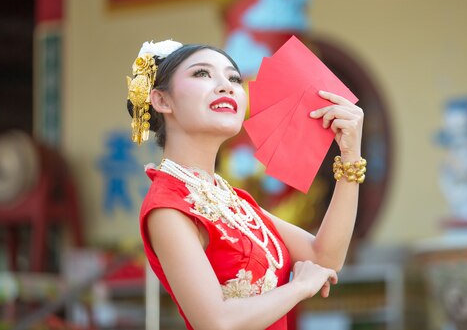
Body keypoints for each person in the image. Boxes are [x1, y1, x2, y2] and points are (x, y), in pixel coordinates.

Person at [127, 40, 365, 330]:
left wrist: (350, 155)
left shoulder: (232, 200)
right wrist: (299, 287)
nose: (226, 86)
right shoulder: (168, 206)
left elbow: (324, 256)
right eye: (202, 74)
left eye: (234, 78)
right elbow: (216, 322)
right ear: (162, 101)